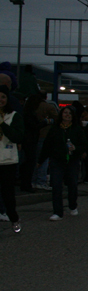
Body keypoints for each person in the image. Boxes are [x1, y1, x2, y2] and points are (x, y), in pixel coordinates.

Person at [39, 105, 86, 221]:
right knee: (56, 185)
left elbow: (84, 145)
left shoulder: (77, 129)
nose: (67, 115)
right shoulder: (55, 129)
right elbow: (47, 145)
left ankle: (72, 205)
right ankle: (58, 212)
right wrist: (40, 160)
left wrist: (76, 149)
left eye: (69, 114)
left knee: (72, 185)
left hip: (72, 161)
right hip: (57, 161)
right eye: (65, 113)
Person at [0, 85, 24, 232]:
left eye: (3, 97)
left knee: (7, 193)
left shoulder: (14, 116)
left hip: (7, 161)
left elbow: (18, 136)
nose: (0, 100)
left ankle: (13, 218)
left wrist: (3, 124)